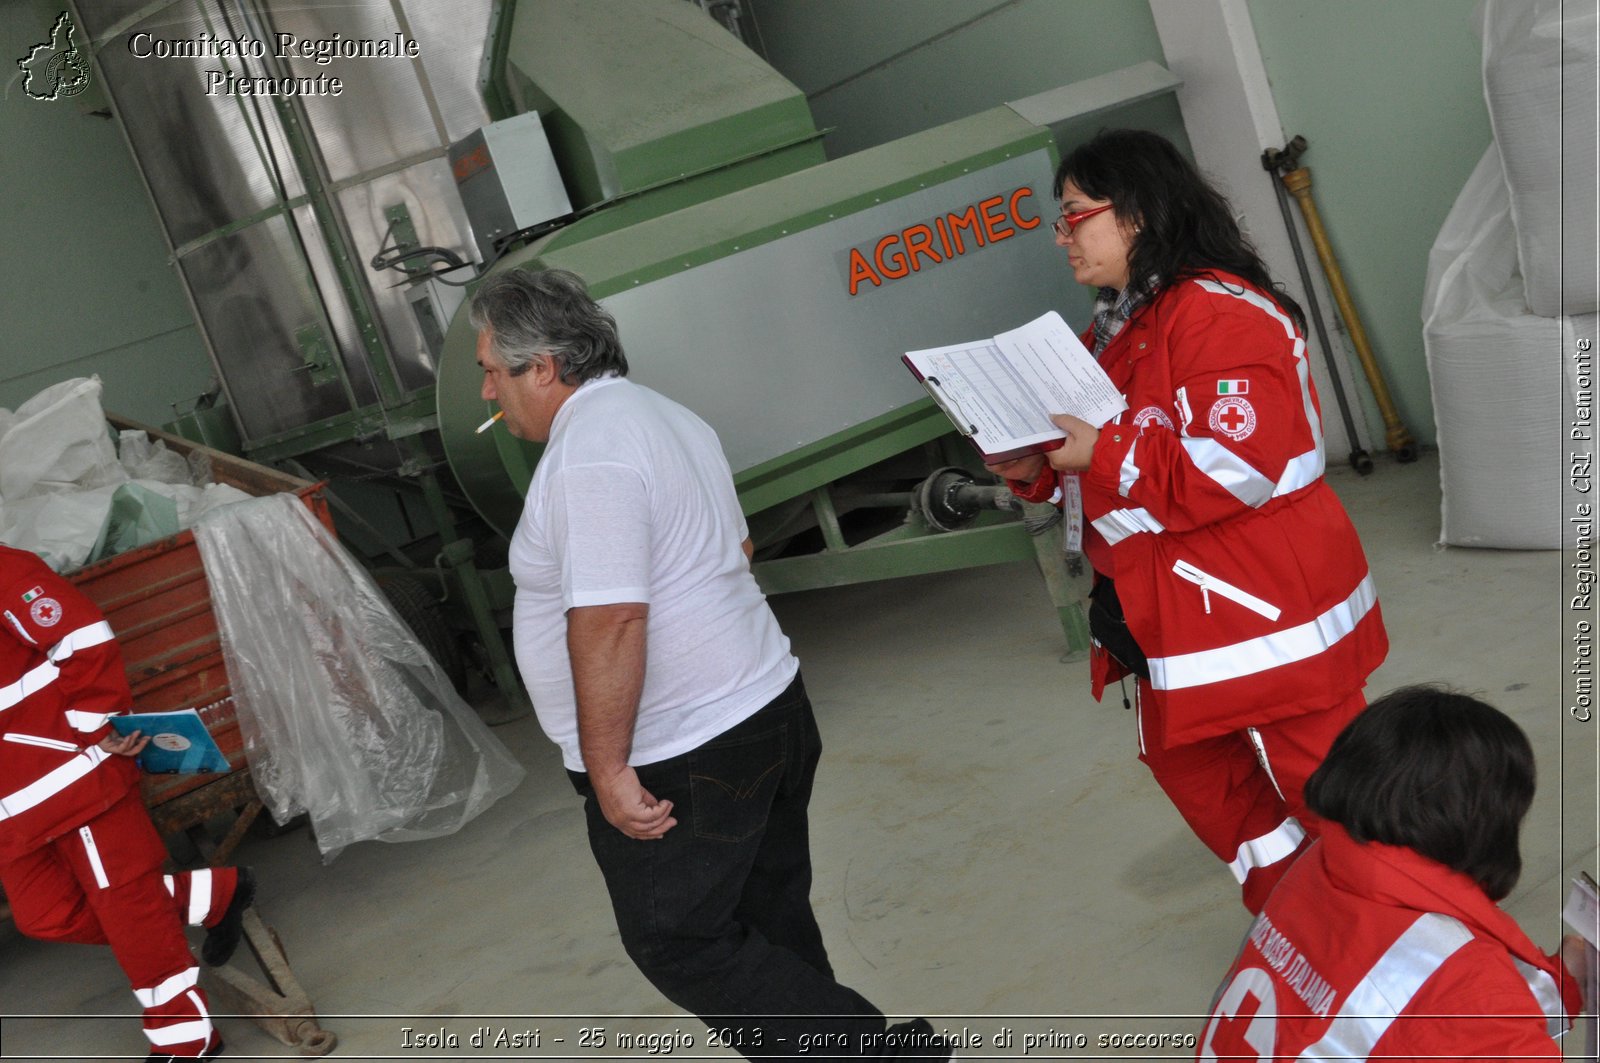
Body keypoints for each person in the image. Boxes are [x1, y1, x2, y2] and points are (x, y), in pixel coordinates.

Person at [469, 267, 954, 1061]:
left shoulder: (591, 451)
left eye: (492, 370)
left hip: (686, 749)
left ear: (544, 367)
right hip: (763, 710)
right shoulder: (664, 416)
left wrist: (606, 764)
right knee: (769, 925)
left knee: (678, 938)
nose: (489, 392)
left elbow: (612, 616)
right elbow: (737, 547)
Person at [989, 129, 1388, 912]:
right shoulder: (1119, 323)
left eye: (1074, 215)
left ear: (1135, 213)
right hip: (1174, 626)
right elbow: (1111, 456)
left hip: (1262, 623)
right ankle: (1310, 932)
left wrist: (1099, 452)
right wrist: (1041, 470)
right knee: (1231, 808)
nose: (1061, 234)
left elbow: (1231, 469)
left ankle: (1421, 964)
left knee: (1343, 809)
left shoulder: (1216, 315)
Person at [1197, 685, 1583, 1059]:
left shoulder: (1320, 869)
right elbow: (1450, 1019)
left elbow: (1417, 1027)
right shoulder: (1460, 979)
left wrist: (1564, 981)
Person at [0, 543, 255, 1062]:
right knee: (45, 916)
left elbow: (82, 636)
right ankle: (214, 894)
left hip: (75, 776)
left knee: (130, 912)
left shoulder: (5, 568)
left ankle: (187, 1039)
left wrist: (91, 729)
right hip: (14, 806)